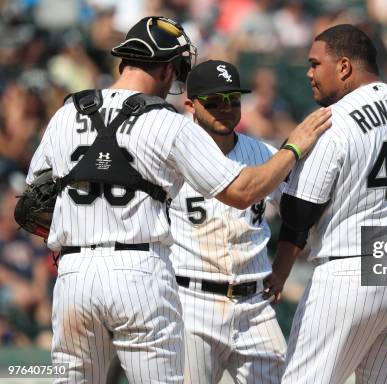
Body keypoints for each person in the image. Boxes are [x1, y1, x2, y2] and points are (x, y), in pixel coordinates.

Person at [24, 16, 330, 383]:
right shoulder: (166, 122)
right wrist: (294, 145)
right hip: (138, 270)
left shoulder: (66, 113)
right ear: (169, 69)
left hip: (73, 274)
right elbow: (242, 192)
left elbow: (32, 204)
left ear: (126, 61)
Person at [264, 24, 387, 383]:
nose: (309, 73)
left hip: (350, 271)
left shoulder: (333, 122)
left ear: (345, 67)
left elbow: (298, 212)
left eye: (316, 63)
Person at [169, 60, 286, 383]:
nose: (226, 108)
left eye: (233, 100)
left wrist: (284, 266)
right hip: (193, 301)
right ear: (190, 104)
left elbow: (300, 211)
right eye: (214, 101)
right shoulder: (170, 155)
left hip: (255, 305)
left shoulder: (262, 153)